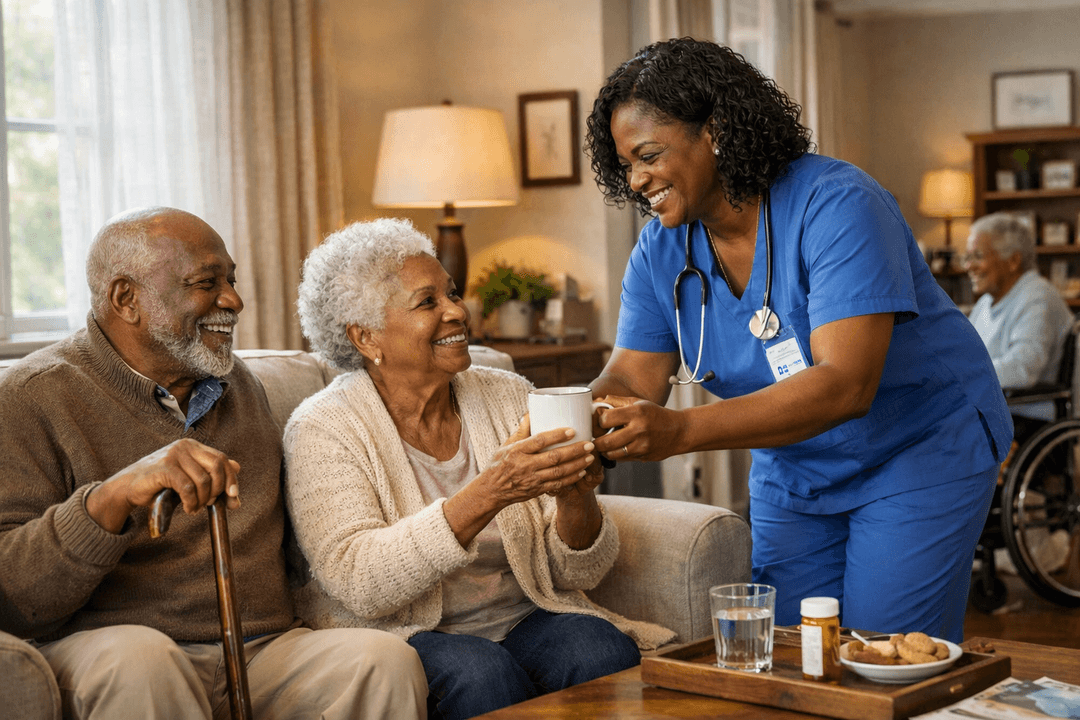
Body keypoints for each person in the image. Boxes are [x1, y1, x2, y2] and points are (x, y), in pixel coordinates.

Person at [582, 37, 1012, 643]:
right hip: (797, 467)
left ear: (718, 131)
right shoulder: (660, 252)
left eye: (649, 155)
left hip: (917, 448)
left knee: (880, 659)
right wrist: (572, 418)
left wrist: (681, 431)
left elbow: (845, 384)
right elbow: (629, 379)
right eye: (625, 163)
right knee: (790, 656)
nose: (637, 179)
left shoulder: (837, 204)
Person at [0, 207, 427, 720]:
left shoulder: (238, 384)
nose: (233, 300)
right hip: (118, 649)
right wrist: (109, 498)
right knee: (143, 661)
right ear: (126, 299)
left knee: (382, 662)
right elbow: (13, 596)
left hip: (258, 646)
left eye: (231, 280)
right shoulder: (33, 396)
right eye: (206, 283)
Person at [283, 217, 673, 720]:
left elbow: (581, 571)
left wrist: (574, 496)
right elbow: (361, 582)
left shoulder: (506, 393)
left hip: (521, 616)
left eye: (452, 294)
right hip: (402, 633)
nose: (457, 311)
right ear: (365, 337)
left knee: (599, 648)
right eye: (428, 303)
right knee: (482, 673)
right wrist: (492, 490)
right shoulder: (323, 428)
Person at [964, 212, 1074, 441]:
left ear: (1013, 261)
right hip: (995, 409)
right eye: (967, 257)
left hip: (1028, 415)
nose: (968, 266)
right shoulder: (986, 302)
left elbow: (1023, 368)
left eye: (978, 256)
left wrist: (964, 375)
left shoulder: (1037, 297)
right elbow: (964, 354)